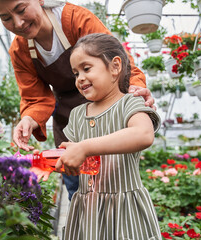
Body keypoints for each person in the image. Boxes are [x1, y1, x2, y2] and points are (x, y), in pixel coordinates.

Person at [0, 0, 155, 200]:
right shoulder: (20, 50)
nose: (17, 23)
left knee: (114, 185)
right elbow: (35, 98)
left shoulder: (75, 19)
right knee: (81, 195)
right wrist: (28, 119)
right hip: (69, 123)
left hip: (108, 121)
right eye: (6, 18)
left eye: (21, 10)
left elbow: (117, 61)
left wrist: (135, 91)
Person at [55, 33, 162, 239]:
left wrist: (86, 147)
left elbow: (143, 134)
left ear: (115, 66)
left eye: (86, 69)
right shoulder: (78, 114)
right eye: (76, 73)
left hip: (125, 210)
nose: (80, 78)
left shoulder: (130, 103)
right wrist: (43, 160)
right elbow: (71, 155)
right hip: (88, 210)